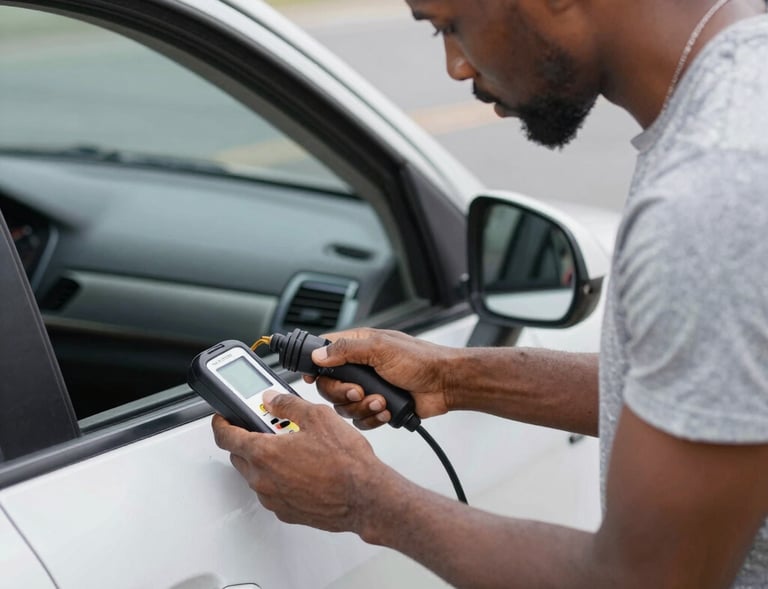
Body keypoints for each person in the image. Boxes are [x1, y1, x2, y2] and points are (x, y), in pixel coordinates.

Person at [213, 0, 768, 585]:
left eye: (450, 25)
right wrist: (452, 375)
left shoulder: (715, 192)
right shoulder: (743, 97)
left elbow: (642, 580)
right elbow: (707, 388)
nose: (456, 66)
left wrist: (362, 498)